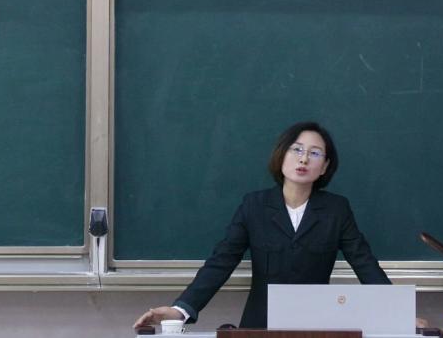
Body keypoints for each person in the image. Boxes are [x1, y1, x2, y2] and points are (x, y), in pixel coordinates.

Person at [134, 121, 391, 330]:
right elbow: (221, 261)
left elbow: (364, 262)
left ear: (324, 167)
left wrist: (396, 311)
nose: (303, 159)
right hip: (260, 327)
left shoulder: (336, 210)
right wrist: (180, 310)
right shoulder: (254, 206)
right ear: (282, 155)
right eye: (296, 150)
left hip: (316, 326)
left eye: (314, 153)